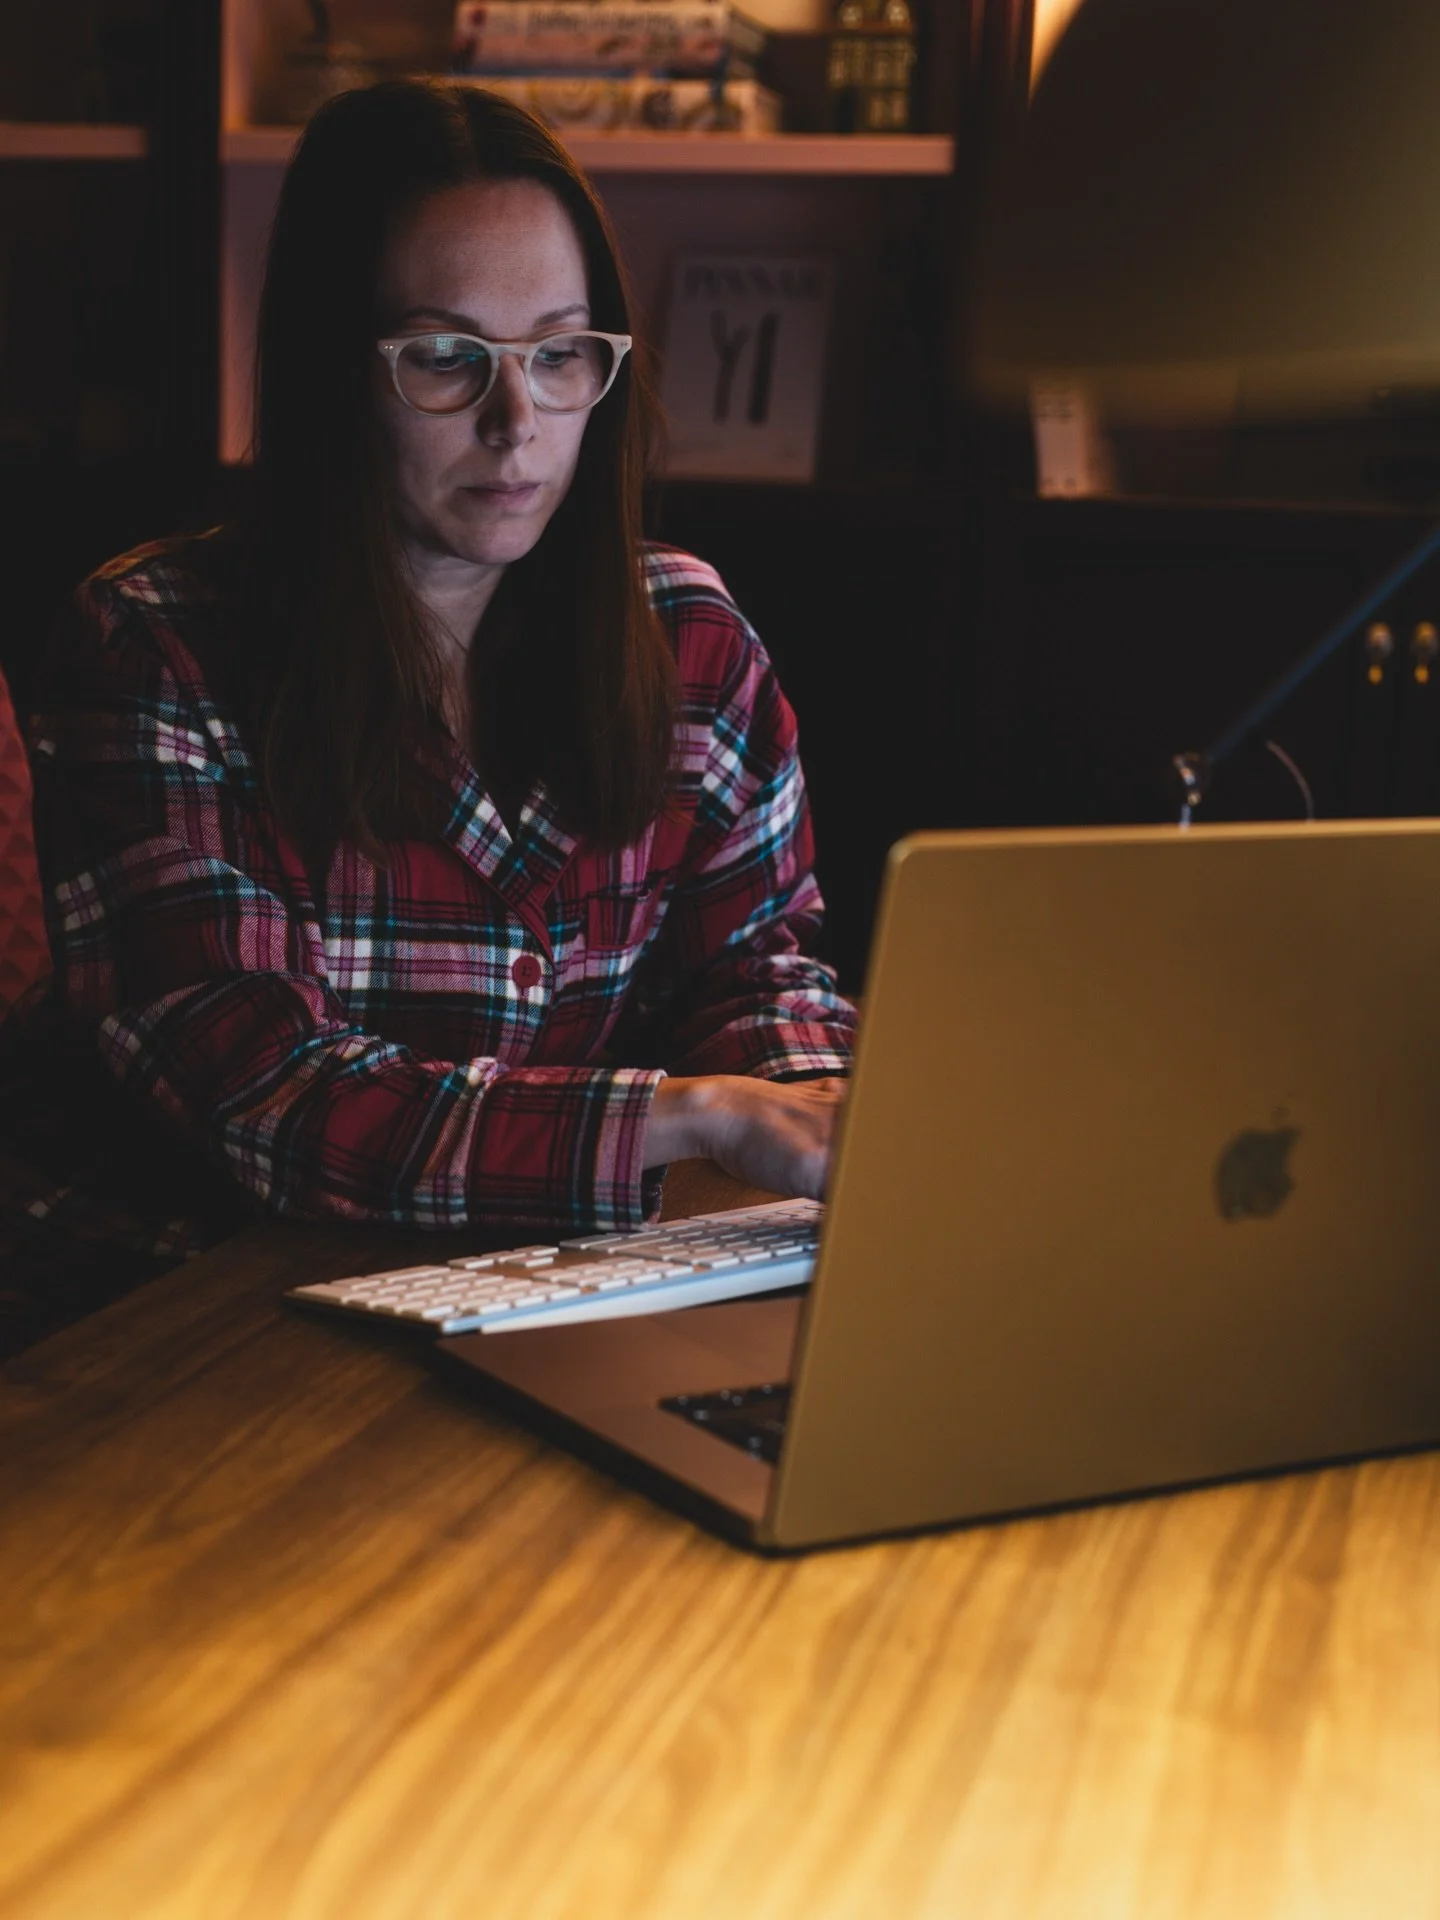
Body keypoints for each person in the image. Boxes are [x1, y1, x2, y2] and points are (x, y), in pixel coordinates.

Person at [0, 80, 856, 1354]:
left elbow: (754, 970)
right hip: (173, 1328)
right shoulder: (154, 645)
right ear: (331, 372)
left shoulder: (691, 639)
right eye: (448, 359)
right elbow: (272, 1100)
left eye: (561, 355)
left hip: (525, 1304)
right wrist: (687, 1117)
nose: (519, 426)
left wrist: (808, 1097)